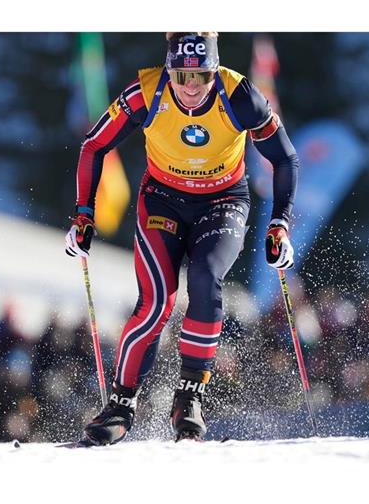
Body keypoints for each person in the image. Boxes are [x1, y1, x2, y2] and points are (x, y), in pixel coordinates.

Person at [65, 32, 300, 443]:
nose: (191, 88)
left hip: (223, 200)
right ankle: (121, 405)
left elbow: (285, 158)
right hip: (163, 201)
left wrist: (279, 222)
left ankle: (189, 397)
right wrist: (84, 214)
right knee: (157, 303)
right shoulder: (146, 92)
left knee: (207, 280)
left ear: (215, 71)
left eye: (202, 77)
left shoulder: (240, 95)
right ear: (170, 70)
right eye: (182, 76)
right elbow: (94, 145)